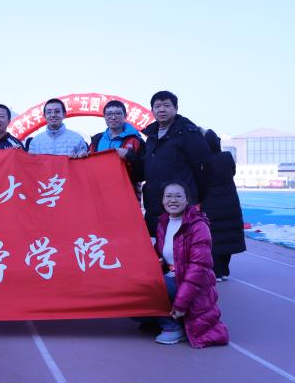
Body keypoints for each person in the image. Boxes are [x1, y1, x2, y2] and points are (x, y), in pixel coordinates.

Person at [152, 181, 229, 347]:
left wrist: (181, 303)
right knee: (136, 296)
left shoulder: (198, 226)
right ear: (162, 200)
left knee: (155, 284)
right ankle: (165, 320)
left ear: (187, 200)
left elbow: (198, 268)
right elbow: (159, 253)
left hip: (193, 285)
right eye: (168, 196)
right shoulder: (163, 224)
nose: (173, 200)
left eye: (178, 196)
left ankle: (173, 327)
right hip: (172, 278)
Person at [139, 91, 211, 236]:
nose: (162, 109)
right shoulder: (151, 136)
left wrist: (193, 196)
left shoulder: (189, 133)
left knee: (181, 245)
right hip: (155, 206)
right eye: (157, 106)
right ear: (152, 110)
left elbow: (204, 169)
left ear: (176, 108)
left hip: (179, 205)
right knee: (159, 246)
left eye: (166, 105)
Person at [200, 129, 246, 281]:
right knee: (229, 236)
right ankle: (225, 270)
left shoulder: (203, 161)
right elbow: (232, 172)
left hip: (210, 203)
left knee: (214, 237)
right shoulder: (227, 157)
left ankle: (217, 271)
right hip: (231, 202)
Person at [88, 100, 144, 194]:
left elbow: (144, 171)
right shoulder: (96, 139)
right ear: (104, 116)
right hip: (99, 190)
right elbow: (88, 165)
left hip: (126, 192)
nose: (113, 117)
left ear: (125, 116)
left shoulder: (136, 141)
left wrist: (129, 156)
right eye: (109, 114)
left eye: (118, 113)